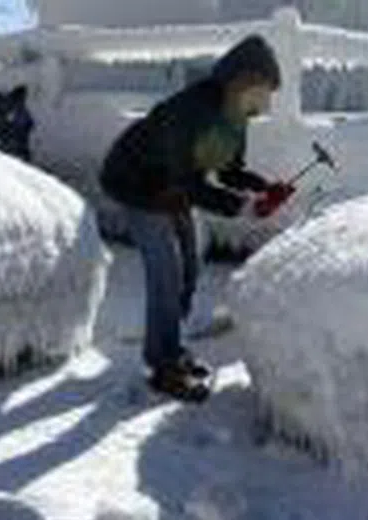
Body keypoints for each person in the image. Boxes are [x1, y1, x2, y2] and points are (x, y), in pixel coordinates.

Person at [98, 35, 297, 403]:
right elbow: (188, 183)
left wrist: (264, 188)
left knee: (189, 265)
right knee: (166, 271)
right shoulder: (193, 110)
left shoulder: (236, 117)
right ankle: (162, 365)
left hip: (171, 185)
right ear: (239, 79)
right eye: (261, 90)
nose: (263, 102)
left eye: (267, 94)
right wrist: (244, 208)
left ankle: (171, 349)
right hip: (135, 181)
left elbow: (229, 171)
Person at [4, 85, 35, 162]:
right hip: (19, 127)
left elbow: (21, 113)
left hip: (20, 126)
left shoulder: (17, 102)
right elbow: (13, 113)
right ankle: (22, 158)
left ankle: (22, 157)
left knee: (21, 144)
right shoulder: (16, 102)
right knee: (21, 144)